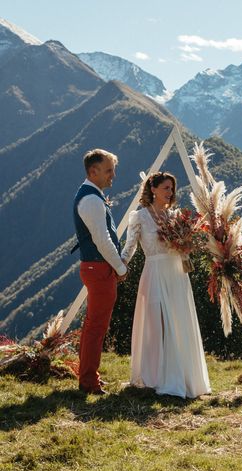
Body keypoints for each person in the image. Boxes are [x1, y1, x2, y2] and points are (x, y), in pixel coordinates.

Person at [121, 172, 211, 399]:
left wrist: (186, 245)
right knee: (156, 323)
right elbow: (130, 246)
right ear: (153, 189)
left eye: (172, 188)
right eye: (166, 188)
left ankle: (182, 375)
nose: (170, 192)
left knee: (178, 323)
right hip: (154, 272)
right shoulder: (140, 216)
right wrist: (119, 265)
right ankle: (154, 376)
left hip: (177, 274)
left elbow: (186, 248)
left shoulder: (176, 216)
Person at [73, 149, 127, 395]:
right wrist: (119, 267)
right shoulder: (92, 200)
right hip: (99, 268)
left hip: (93, 266)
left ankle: (88, 375)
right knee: (97, 327)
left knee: (92, 325)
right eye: (108, 170)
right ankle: (88, 381)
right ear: (93, 171)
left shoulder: (91, 196)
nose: (113, 175)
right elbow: (102, 239)